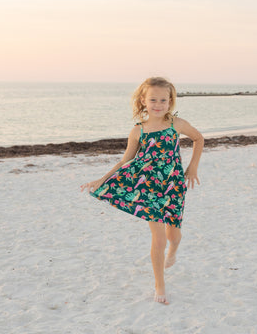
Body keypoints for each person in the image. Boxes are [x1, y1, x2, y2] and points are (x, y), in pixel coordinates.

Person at [80, 77, 204, 304]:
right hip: (148, 189)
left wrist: (192, 166)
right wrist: (102, 179)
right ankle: (160, 284)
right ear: (143, 101)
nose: (158, 104)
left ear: (170, 101)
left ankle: (174, 251)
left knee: (173, 236)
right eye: (153, 99)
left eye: (163, 100)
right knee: (158, 239)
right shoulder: (138, 131)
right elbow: (125, 161)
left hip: (173, 186)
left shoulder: (176, 124)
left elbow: (199, 138)